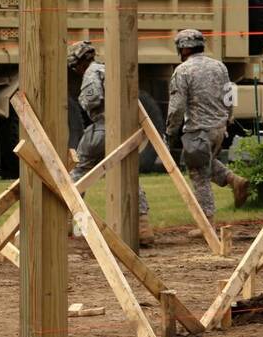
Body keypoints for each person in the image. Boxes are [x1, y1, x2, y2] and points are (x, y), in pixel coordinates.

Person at [67, 41, 154, 247]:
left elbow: (93, 99)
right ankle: (143, 227)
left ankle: (72, 223)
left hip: (103, 128)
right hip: (125, 130)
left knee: (79, 173)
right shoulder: (110, 70)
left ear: (80, 62)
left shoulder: (91, 72)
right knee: (128, 174)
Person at [164, 29, 248, 225]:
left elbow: (177, 108)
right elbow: (230, 96)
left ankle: (206, 224)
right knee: (205, 163)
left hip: (198, 130)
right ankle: (233, 179)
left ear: (183, 49)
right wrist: (227, 119)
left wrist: (170, 132)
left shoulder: (183, 71)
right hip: (219, 128)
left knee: (199, 175)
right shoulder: (220, 67)